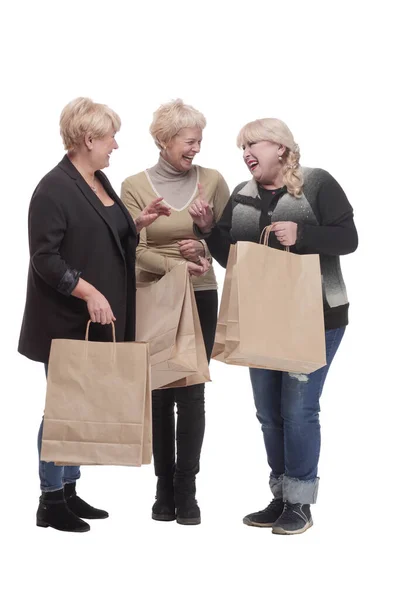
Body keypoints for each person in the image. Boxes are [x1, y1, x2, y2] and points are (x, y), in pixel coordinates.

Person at [189, 117, 358, 535]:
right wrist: (211, 230)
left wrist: (302, 233)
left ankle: (300, 503)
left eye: (253, 144)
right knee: (268, 413)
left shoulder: (317, 184)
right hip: (262, 318)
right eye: (241, 147)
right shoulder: (243, 195)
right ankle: (281, 495)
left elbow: (349, 239)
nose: (245, 152)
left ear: (281, 148)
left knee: (298, 410)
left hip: (318, 316)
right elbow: (234, 260)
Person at [18, 97, 170, 533]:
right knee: (62, 406)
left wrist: (138, 222)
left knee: (80, 402)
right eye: (109, 137)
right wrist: (88, 292)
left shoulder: (97, 179)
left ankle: (68, 489)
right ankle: (50, 500)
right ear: (87, 139)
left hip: (104, 319)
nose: (115, 145)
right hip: (66, 321)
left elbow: (102, 234)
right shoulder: (54, 189)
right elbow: (44, 258)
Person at [121, 99, 230, 525]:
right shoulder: (134, 185)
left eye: (200, 140)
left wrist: (203, 243)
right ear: (164, 142)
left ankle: (187, 489)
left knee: (192, 391)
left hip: (200, 292)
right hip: (151, 293)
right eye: (189, 141)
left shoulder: (214, 181)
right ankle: (162, 488)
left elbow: (225, 245)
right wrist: (174, 265)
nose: (196, 148)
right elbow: (132, 247)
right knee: (159, 391)